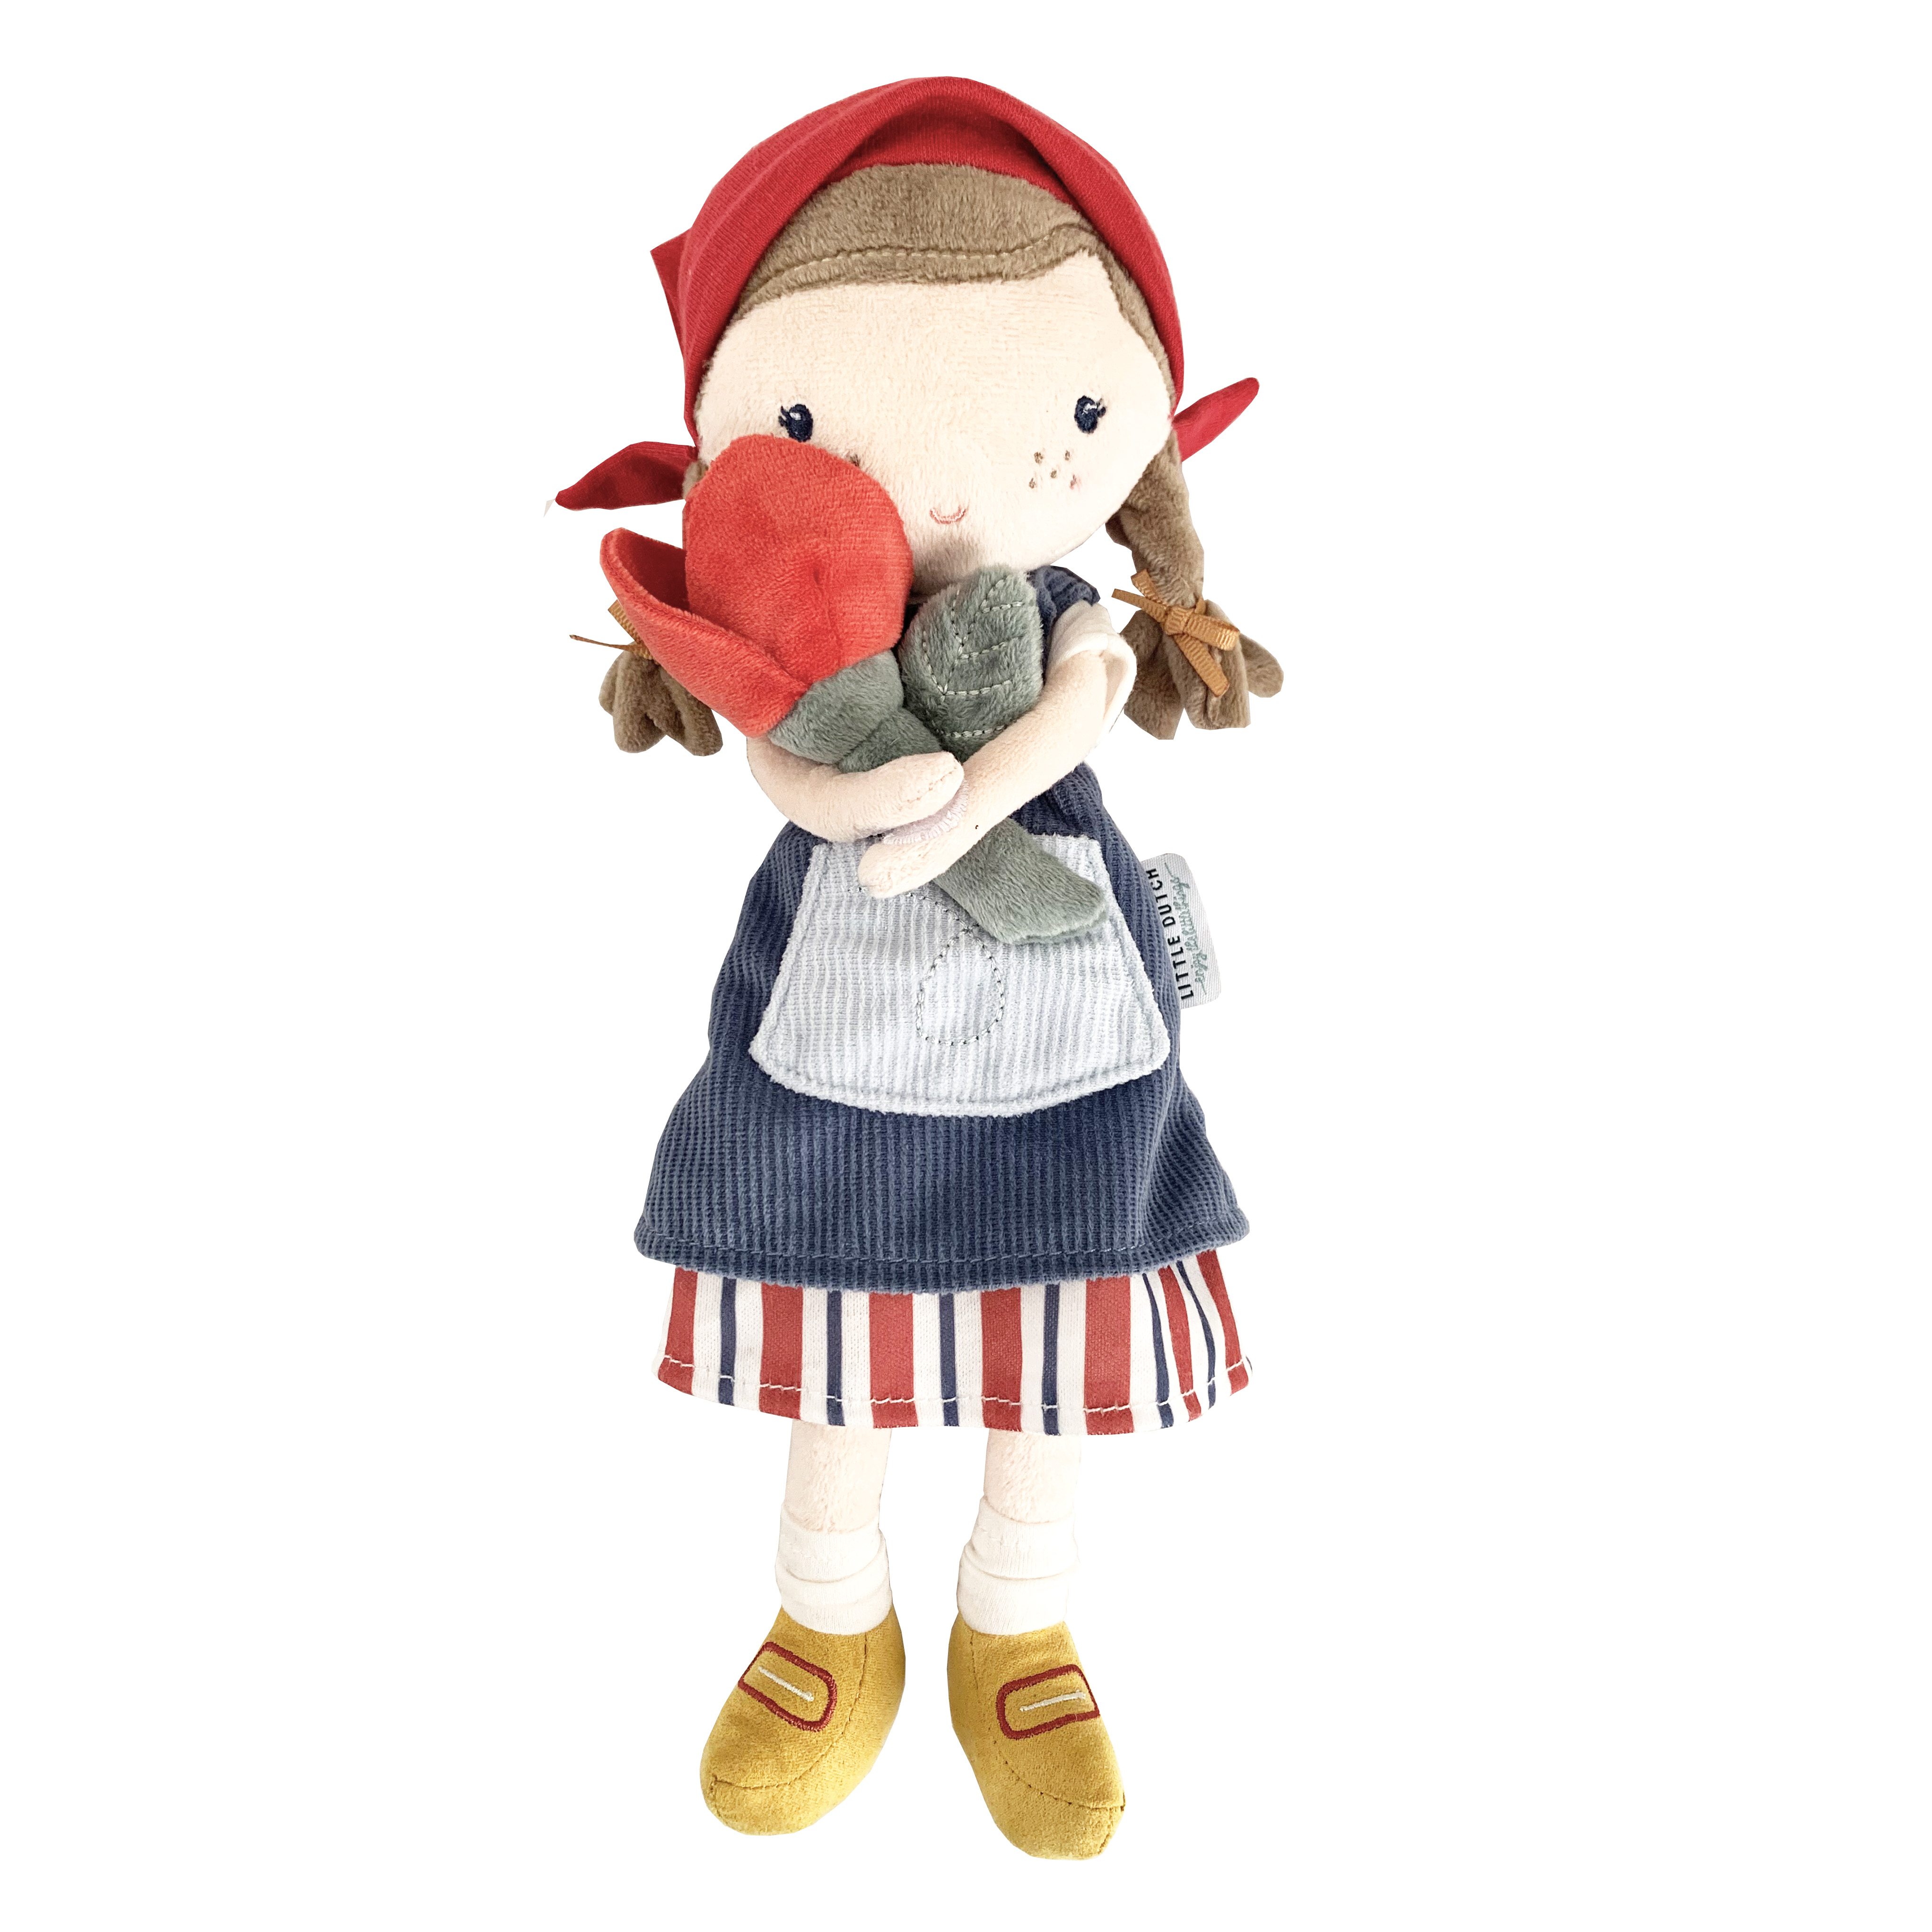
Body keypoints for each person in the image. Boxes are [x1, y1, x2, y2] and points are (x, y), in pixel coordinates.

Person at [557, 76, 1279, 1860]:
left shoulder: (1071, 613)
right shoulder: (803, 643)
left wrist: (961, 805)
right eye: (815, 416)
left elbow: (1077, 711)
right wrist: (847, 786)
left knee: (1061, 1291)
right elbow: (780, 762)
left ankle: (1018, 1623)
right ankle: (831, 1615)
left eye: (1077, 415)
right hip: (847, 1026)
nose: (956, 480)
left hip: (1062, 1021)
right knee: (835, 1296)